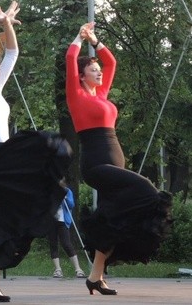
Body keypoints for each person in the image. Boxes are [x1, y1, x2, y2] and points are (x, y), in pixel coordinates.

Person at [0, 1, 72, 302]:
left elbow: (13, 53)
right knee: (1, 216)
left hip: (4, 155)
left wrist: (9, 24)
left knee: (9, 219)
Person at [65, 22, 172, 295]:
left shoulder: (101, 93)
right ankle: (98, 273)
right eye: (92, 69)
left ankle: (95, 276)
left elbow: (111, 62)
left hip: (115, 164)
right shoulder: (76, 96)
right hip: (97, 165)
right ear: (81, 75)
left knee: (112, 221)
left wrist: (95, 40)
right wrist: (79, 37)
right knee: (148, 192)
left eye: (97, 70)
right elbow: (69, 57)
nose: (99, 72)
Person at [47, 187, 86, 279]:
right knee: (53, 244)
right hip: (51, 221)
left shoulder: (67, 191)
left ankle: (78, 269)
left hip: (63, 221)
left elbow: (71, 205)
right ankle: (58, 270)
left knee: (66, 244)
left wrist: (65, 197)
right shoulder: (48, 190)